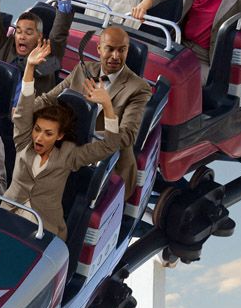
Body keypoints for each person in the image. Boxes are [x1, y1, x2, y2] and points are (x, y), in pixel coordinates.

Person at [5, 41, 123, 241]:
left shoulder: (69, 155)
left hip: (43, 231)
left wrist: (107, 106)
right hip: (4, 217)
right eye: (38, 130)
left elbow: (109, 146)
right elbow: (24, 110)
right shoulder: (25, 141)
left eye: (48, 134)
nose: (39, 137)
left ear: (59, 136)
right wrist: (30, 67)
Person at [29, 26, 151, 194]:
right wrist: (24, 110)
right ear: (99, 49)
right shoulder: (83, 69)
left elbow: (127, 137)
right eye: (110, 49)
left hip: (108, 161)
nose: (116, 56)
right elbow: (49, 99)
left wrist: (107, 105)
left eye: (121, 50)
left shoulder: (138, 88)